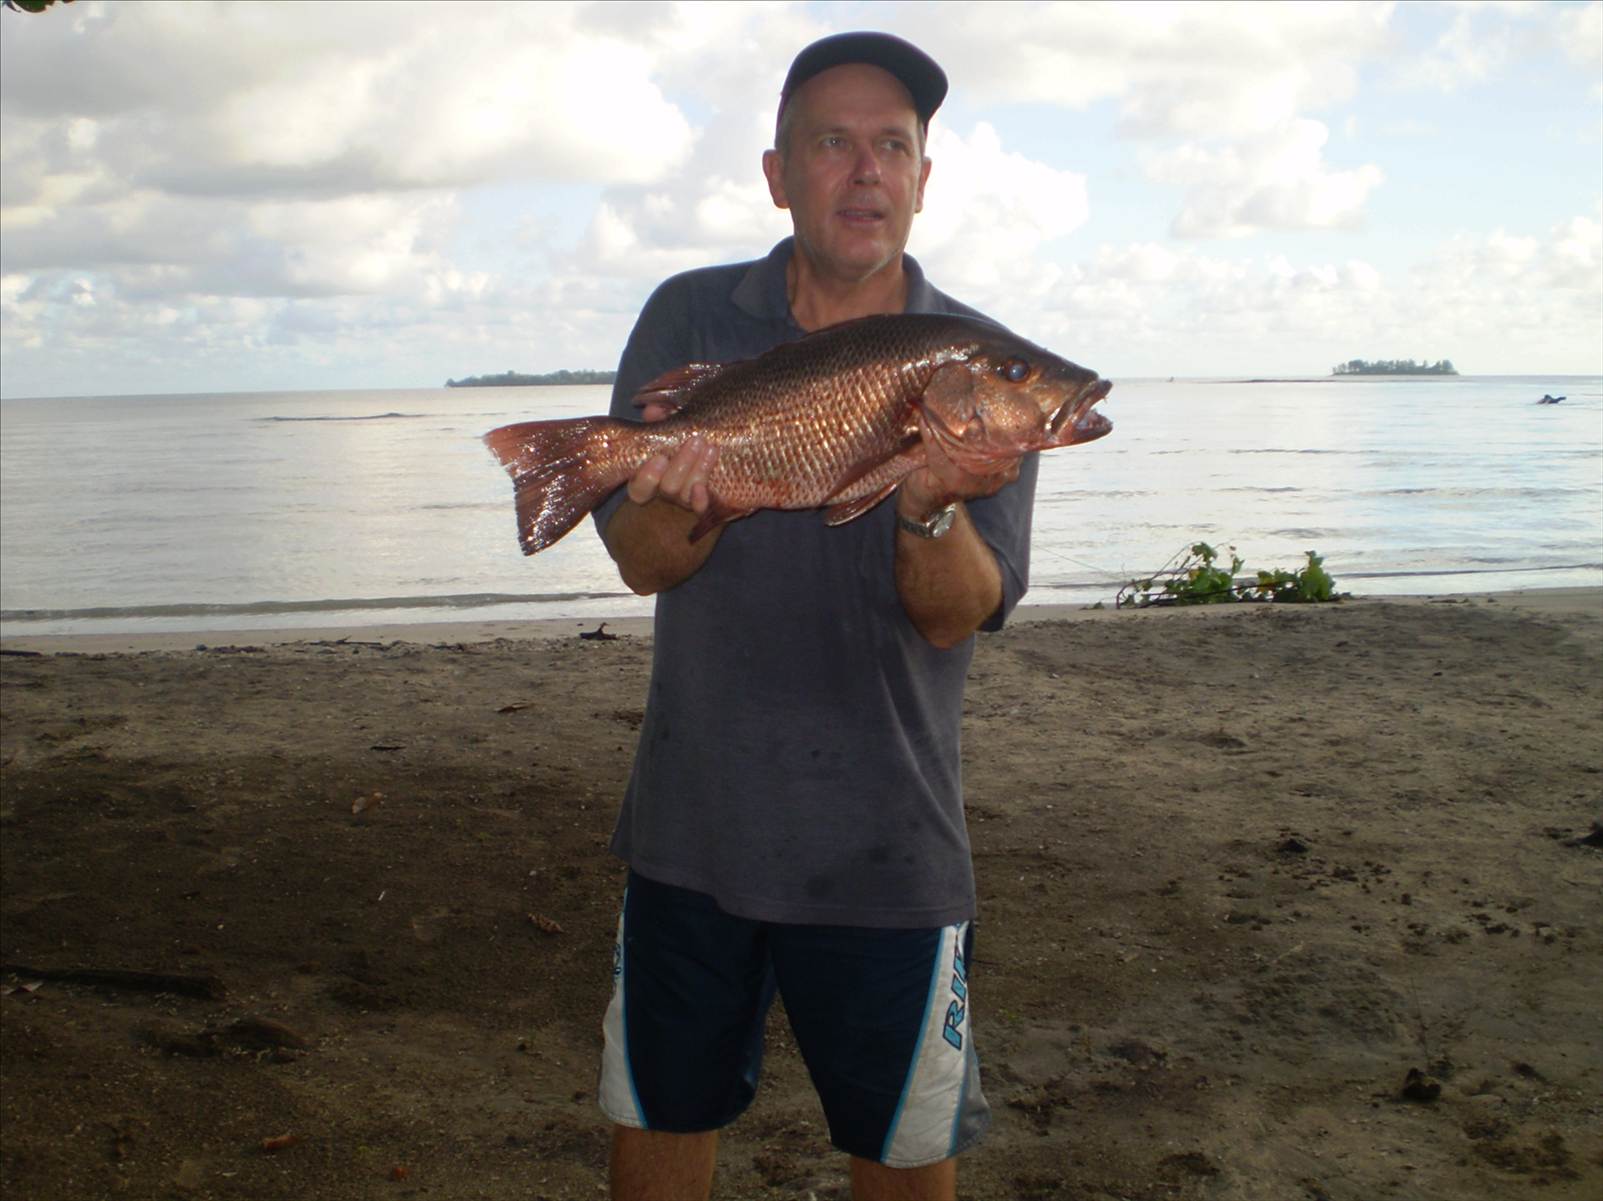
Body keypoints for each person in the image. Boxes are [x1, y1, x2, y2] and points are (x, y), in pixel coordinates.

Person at [591, 31, 1042, 1201]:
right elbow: (643, 564)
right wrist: (699, 502)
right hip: (694, 826)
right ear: (776, 172)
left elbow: (957, 618)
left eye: (891, 146)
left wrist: (930, 505)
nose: (864, 171)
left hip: (888, 844)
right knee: (660, 1125)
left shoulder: (977, 374)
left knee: (901, 1157)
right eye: (830, 143)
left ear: (924, 179)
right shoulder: (690, 319)